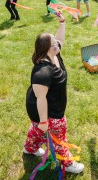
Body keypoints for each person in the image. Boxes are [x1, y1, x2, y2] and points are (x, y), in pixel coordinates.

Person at [24, 12, 84, 174]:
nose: (57, 44)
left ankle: (29, 148)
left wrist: (62, 23)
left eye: (55, 42)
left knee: (37, 129)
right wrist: (44, 121)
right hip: (45, 109)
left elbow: (61, 40)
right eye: (53, 44)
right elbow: (40, 98)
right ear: (45, 49)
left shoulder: (54, 54)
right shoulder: (42, 72)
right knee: (58, 136)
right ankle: (67, 163)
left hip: (48, 105)